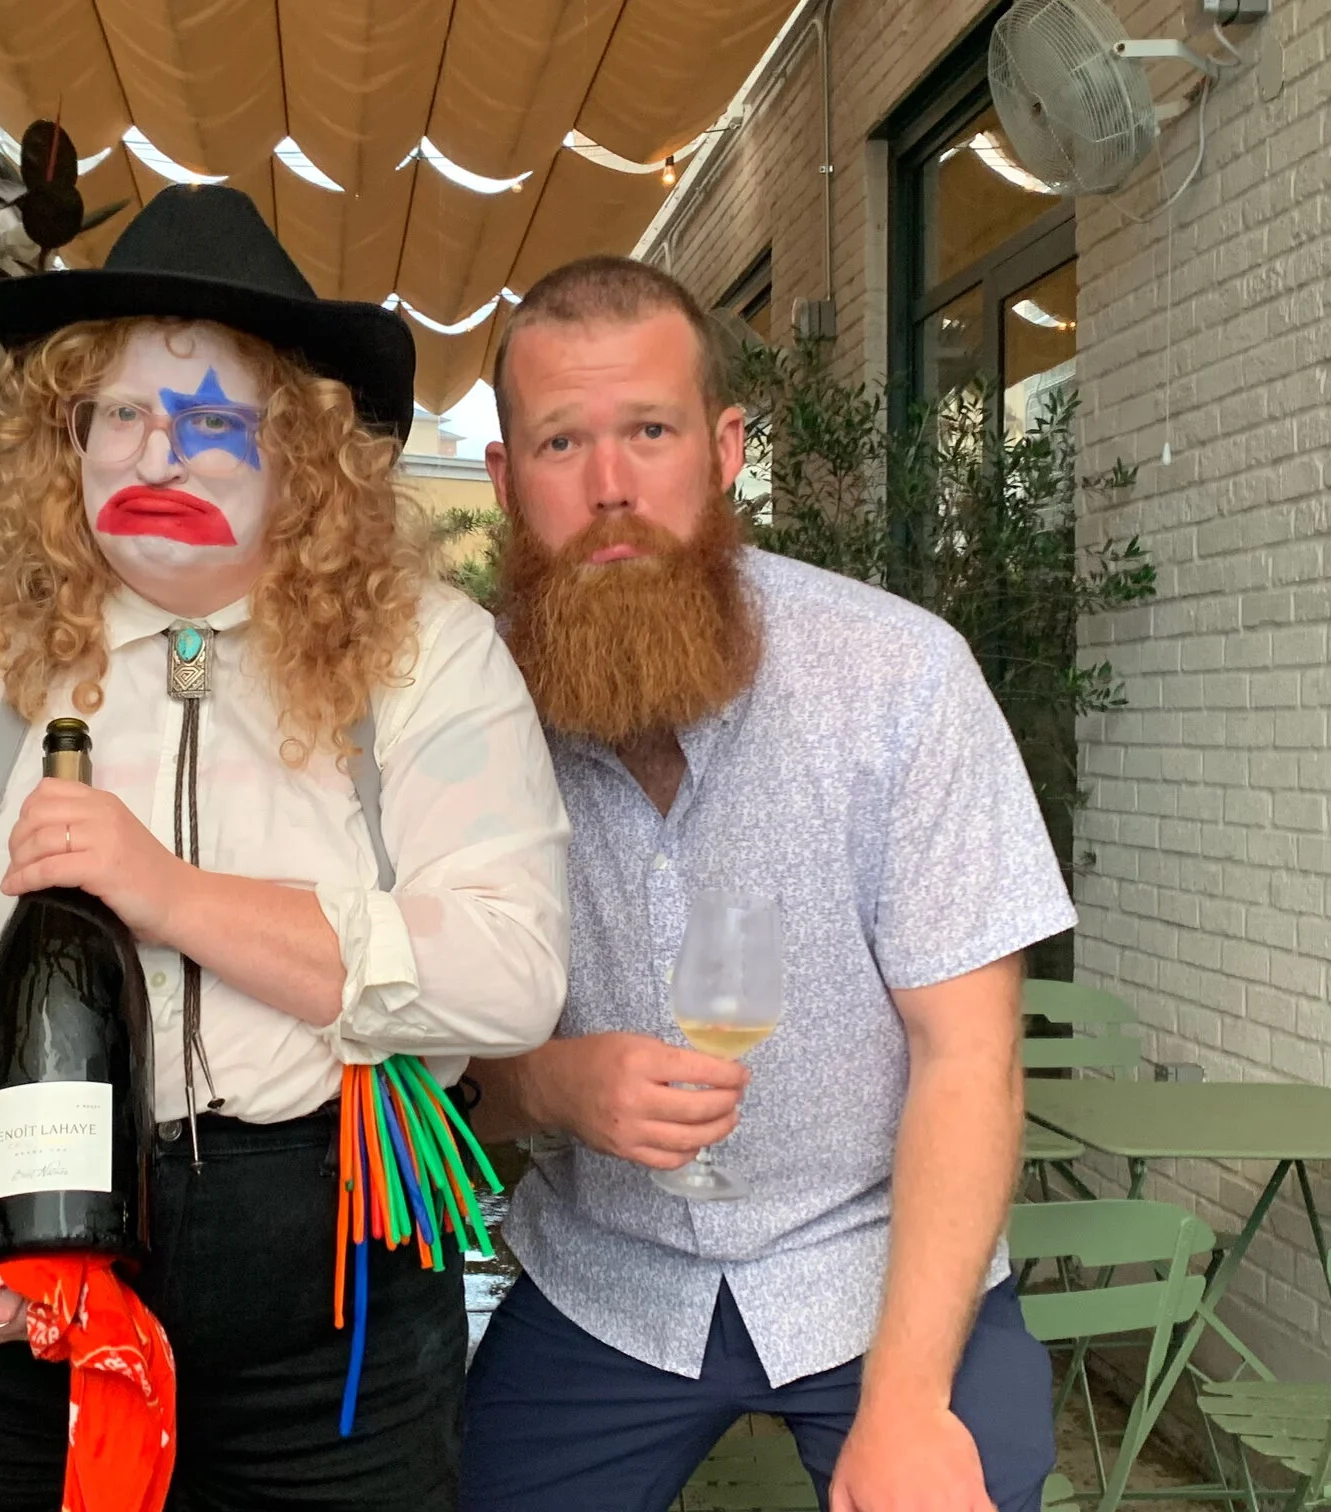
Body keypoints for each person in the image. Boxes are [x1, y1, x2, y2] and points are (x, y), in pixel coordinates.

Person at [0, 184, 569, 1512]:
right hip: (30, 1273)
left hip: (337, 1287)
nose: (159, 455)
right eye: (121, 416)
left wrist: (168, 893)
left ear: (303, 452)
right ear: (68, 439)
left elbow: (508, 970)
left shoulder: (428, 655)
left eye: (214, 420)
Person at [458, 256, 1077, 1512]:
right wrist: (544, 1084)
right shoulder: (455, 715)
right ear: (505, 481)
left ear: (725, 447)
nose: (611, 488)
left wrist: (905, 1409)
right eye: (560, 442)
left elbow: (969, 1059)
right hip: (609, 1276)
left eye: (649, 430)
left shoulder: (899, 681)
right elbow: (425, 1044)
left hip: (876, 1270)